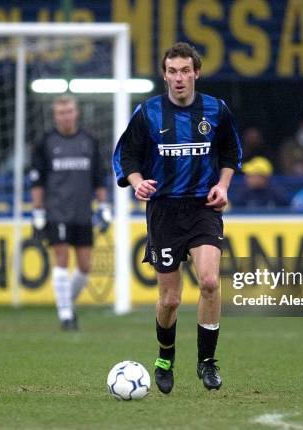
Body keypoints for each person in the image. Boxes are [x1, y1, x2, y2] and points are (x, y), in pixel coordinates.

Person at [113, 42, 242, 393]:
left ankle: (207, 362)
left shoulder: (216, 110)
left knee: (211, 282)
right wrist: (138, 183)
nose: (179, 77)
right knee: (169, 299)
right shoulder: (148, 113)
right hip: (164, 210)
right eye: (172, 71)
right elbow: (127, 158)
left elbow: (231, 152)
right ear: (164, 75)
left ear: (196, 72)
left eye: (186, 70)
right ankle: (165, 356)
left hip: (203, 207)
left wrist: (224, 185)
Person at [30, 95, 110, 331]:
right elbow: (37, 181)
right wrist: (38, 212)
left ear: (76, 113)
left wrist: (104, 207)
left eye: (69, 111)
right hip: (57, 212)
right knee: (62, 259)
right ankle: (65, 315)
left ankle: (66, 304)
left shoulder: (89, 140)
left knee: (85, 268)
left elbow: (99, 177)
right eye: (61, 112)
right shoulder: (45, 142)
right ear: (55, 116)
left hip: (83, 212)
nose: (65, 116)